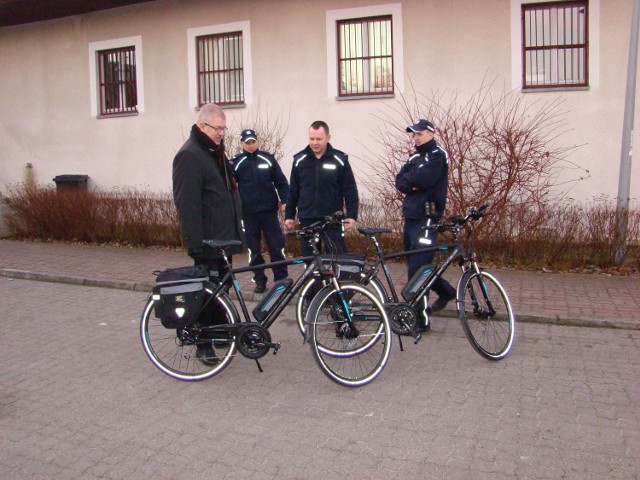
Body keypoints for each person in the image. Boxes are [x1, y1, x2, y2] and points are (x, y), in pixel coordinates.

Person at [172, 103, 244, 365]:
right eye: (218, 128)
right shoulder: (190, 155)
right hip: (208, 241)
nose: (222, 133)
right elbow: (187, 204)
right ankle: (204, 343)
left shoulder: (214, 152)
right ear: (202, 126)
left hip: (223, 239)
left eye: (224, 129)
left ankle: (220, 330)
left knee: (221, 290)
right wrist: (195, 244)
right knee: (206, 295)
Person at [395, 118, 456, 333]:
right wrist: (413, 185)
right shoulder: (414, 156)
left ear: (430, 133)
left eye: (419, 134)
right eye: (413, 134)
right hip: (411, 216)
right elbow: (400, 180)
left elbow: (425, 178)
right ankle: (446, 291)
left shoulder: (438, 155)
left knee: (418, 268)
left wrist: (414, 183)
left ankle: (420, 320)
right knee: (417, 264)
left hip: (427, 218)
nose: (415, 138)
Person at [284, 120, 359, 255]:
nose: (315, 143)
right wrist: (289, 215)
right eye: (311, 139)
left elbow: (350, 190)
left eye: (319, 139)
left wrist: (352, 216)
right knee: (311, 262)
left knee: (336, 261)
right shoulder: (300, 160)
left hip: (332, 220)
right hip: (307, 219)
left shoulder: (339, 160)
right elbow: (293, 190)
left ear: (328, 138)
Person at [232, 129, 289, 294]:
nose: (250, 145)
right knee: (253, 250)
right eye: (247, 143)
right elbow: (230, 188)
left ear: (257, 142)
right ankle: (259, 280)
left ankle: (281, 279)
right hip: (248, 214)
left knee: (276, 246)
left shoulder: (268, 159)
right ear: (242, 143)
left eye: (253, 142)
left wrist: (285, 200)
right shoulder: (236, 162)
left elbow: (281, 182)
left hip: (268, 211)